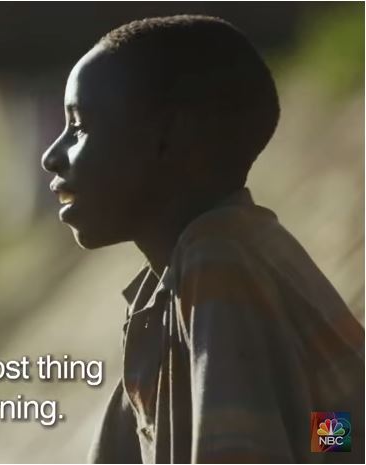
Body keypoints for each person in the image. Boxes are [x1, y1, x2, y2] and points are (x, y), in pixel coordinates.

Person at [40, 15, 364, 463]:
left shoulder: (219, 261)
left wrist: (328, 441)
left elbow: (314, 440)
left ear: (168, 136)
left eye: (79, 127)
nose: (51, 156)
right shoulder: (170, 289)